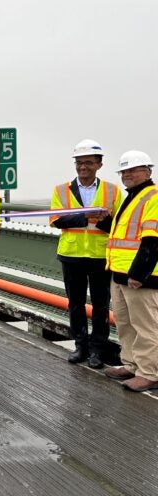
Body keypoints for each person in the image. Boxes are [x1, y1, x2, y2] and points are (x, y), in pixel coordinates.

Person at [49, 139, 121, 369]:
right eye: (79, 163)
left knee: (101, 305)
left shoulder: (112, 190)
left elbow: (119, 225)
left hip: (100, 255)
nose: (83, 167)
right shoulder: (61, 190)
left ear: (99, 165)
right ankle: (81, 347)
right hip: (72, 255)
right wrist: (86, 216)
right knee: (76, 304)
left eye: (88, 163)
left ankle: (98, 350)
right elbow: (56, 220)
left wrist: (102, 221)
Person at [103, 150, 158, 392]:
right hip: (120, 273)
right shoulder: (132, 197)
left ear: (148, 171)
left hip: (140, 277)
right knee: (125, 323)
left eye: (132, 170)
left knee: (146, 326)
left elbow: (152, 241)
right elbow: (126, 235)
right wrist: (105, 221)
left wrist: (138, 274)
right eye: (124, 171)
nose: (127, 175)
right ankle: (131, 364)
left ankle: (149, 373)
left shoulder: (152, 197)